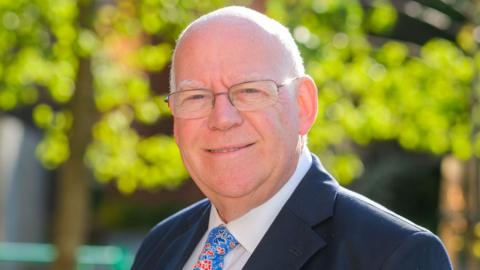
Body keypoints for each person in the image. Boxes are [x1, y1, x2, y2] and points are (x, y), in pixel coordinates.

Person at [132, 6, 452, 270]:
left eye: (249, 91)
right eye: (196, 97)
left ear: (303, 105)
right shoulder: (161, 246)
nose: (222, 119)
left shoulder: (395, 256)